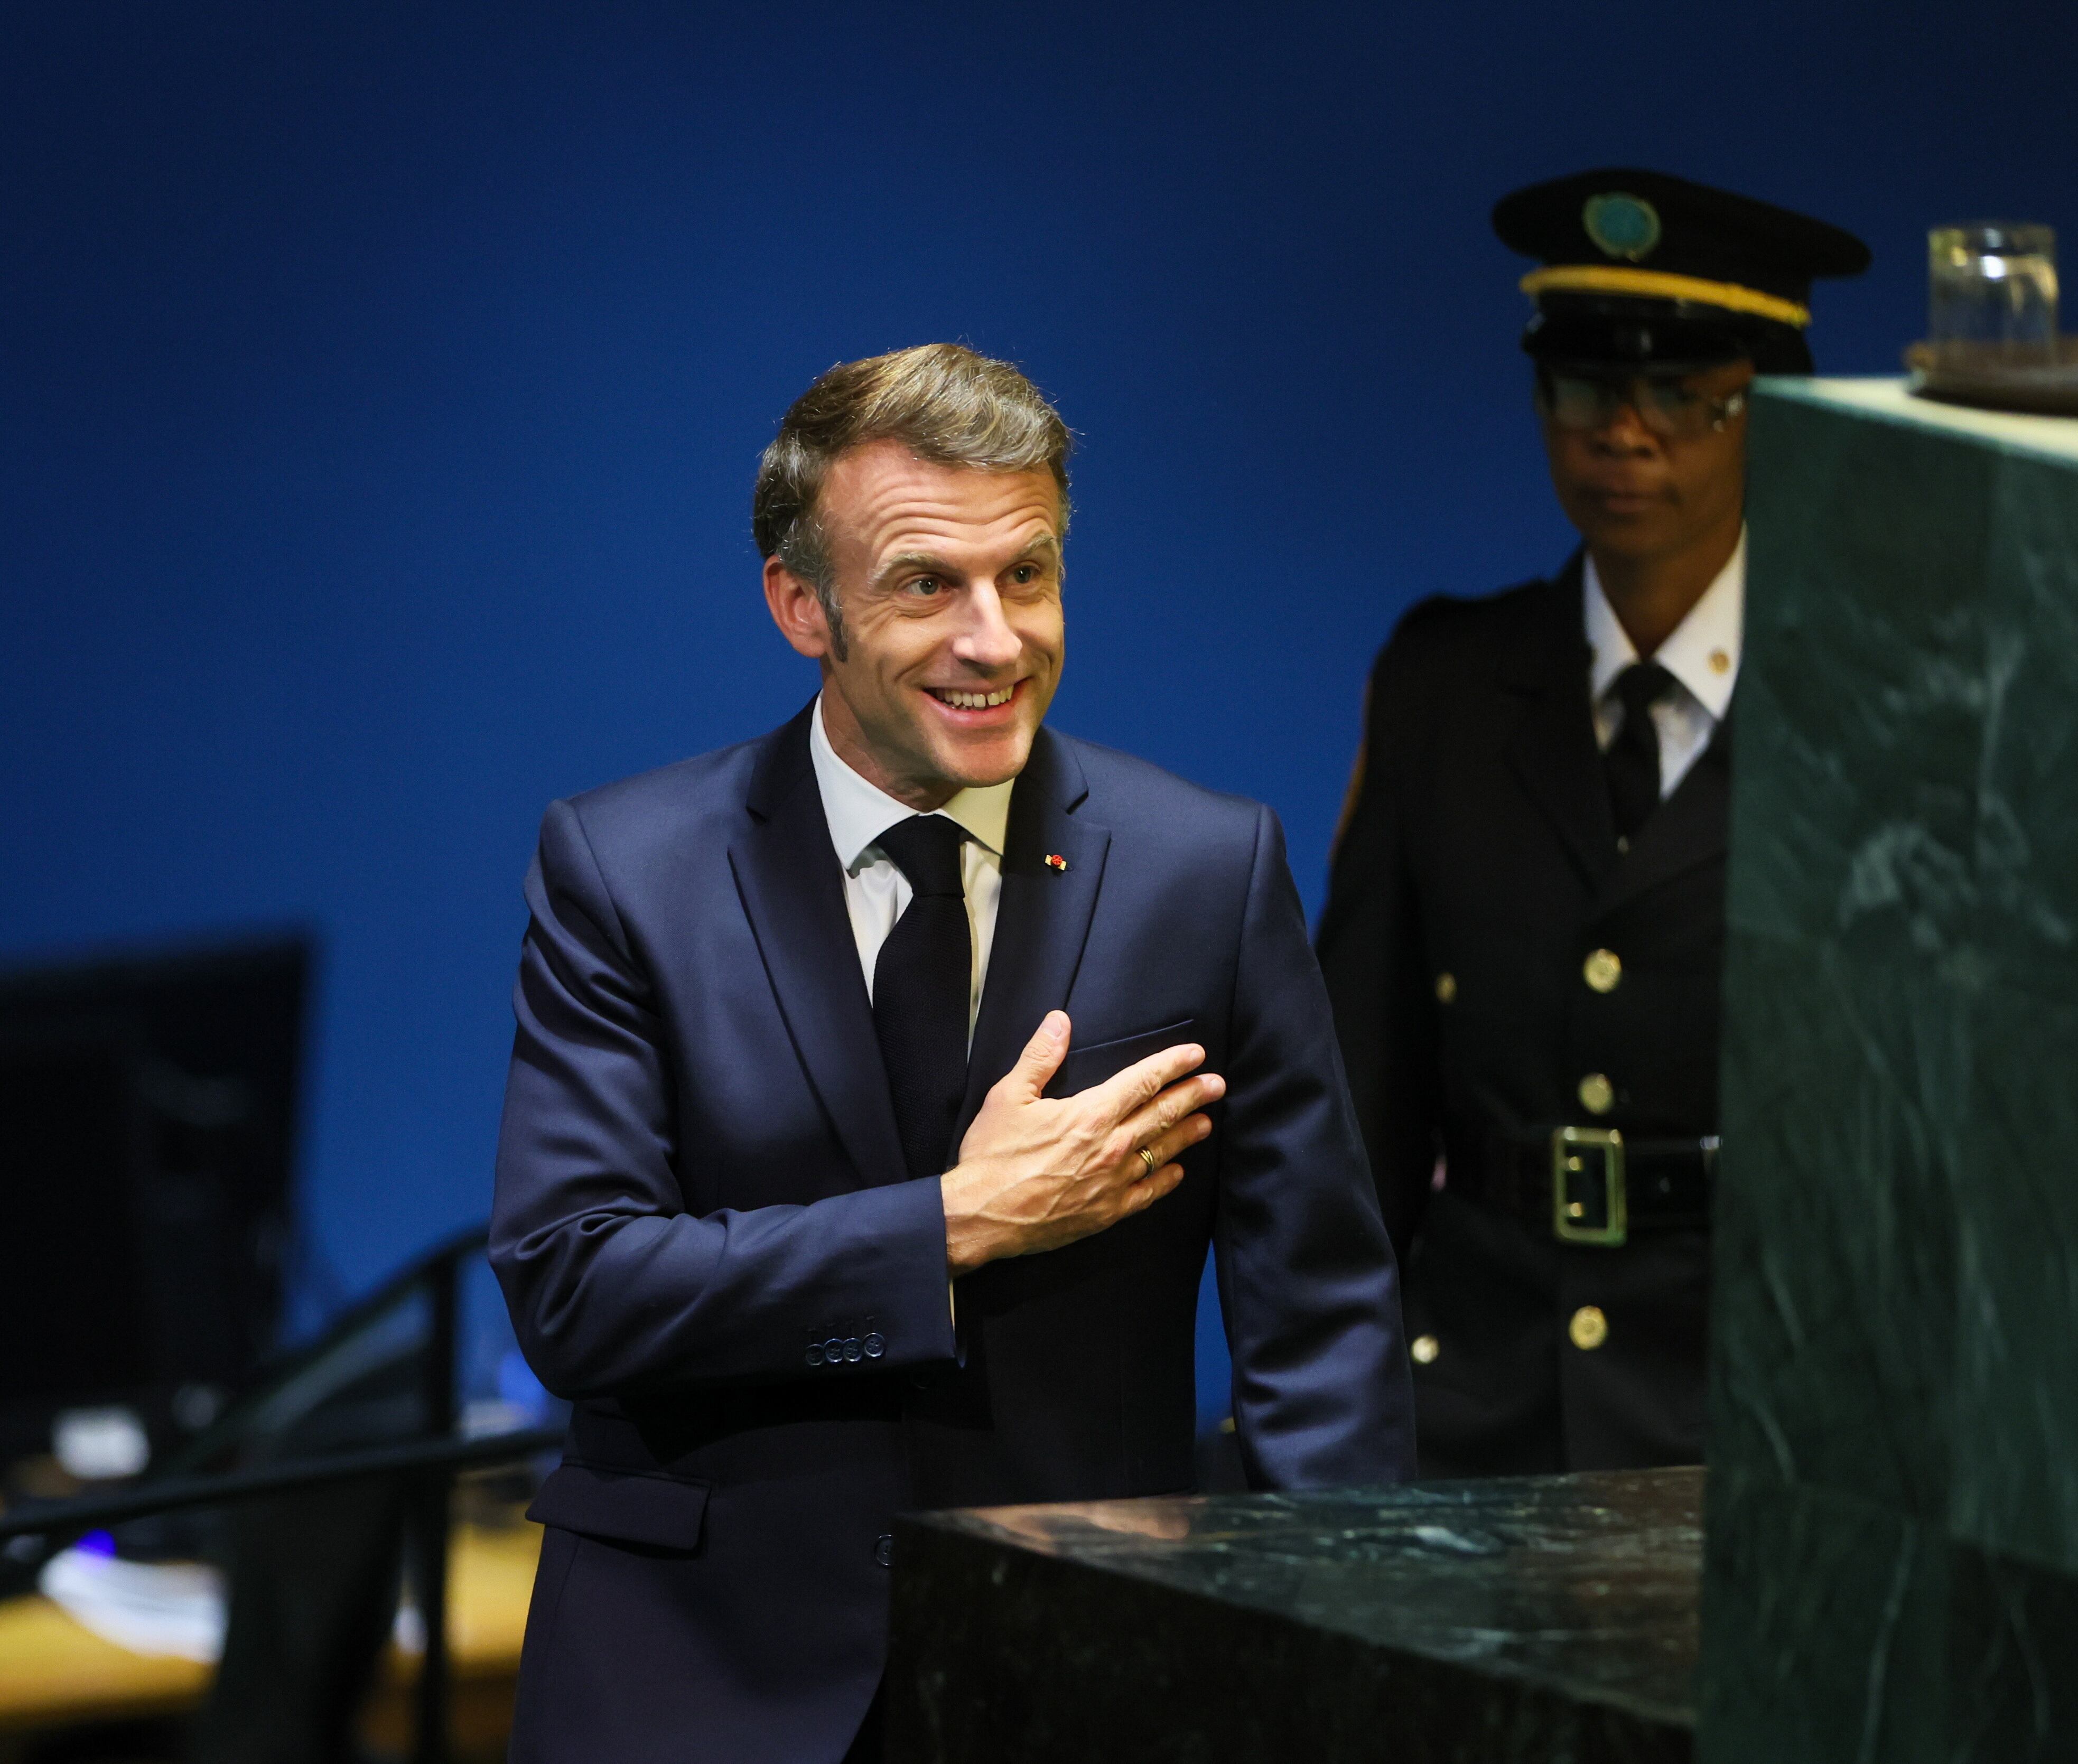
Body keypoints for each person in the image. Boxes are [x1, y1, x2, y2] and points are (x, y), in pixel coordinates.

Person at [490, 343, 1412, 1761]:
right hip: (698, 1681)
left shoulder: (1205, 871)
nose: (994, 639)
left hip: (1080, 1677)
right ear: (803, 604)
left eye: (1027, 576)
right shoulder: (625, 871)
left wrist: (1324, 1666)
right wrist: (950, 1225)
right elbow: (578, 1285)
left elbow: (1322, 1332)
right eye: (928, 584)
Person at [1318, 169, 1868, 1477]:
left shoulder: (1873, 705)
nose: (1626, 433)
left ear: (1768, 410)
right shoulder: (1446, 684)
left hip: (1772, 1413)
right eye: (1583, 388)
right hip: (1477, 1406)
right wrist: (1329, 1419)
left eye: (1683, 394)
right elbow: (1362, 1097)